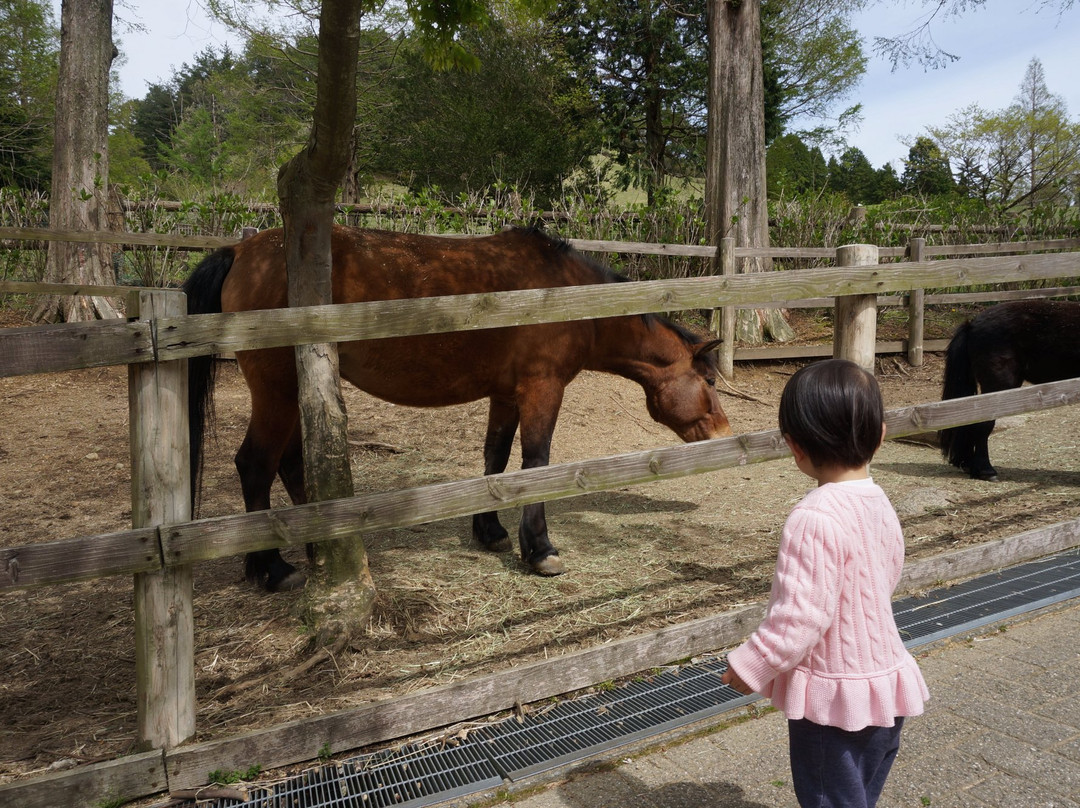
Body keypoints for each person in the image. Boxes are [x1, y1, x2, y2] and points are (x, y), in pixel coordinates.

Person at [721, 358, 929, 808]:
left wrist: (752, 664)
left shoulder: (813, 516)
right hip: (886, 684)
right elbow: (887, 571)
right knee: (858, 794)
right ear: (880, 436)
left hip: (832, 700)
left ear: (794, 446)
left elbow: (801, 616)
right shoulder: (877, 500)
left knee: (828, 798)